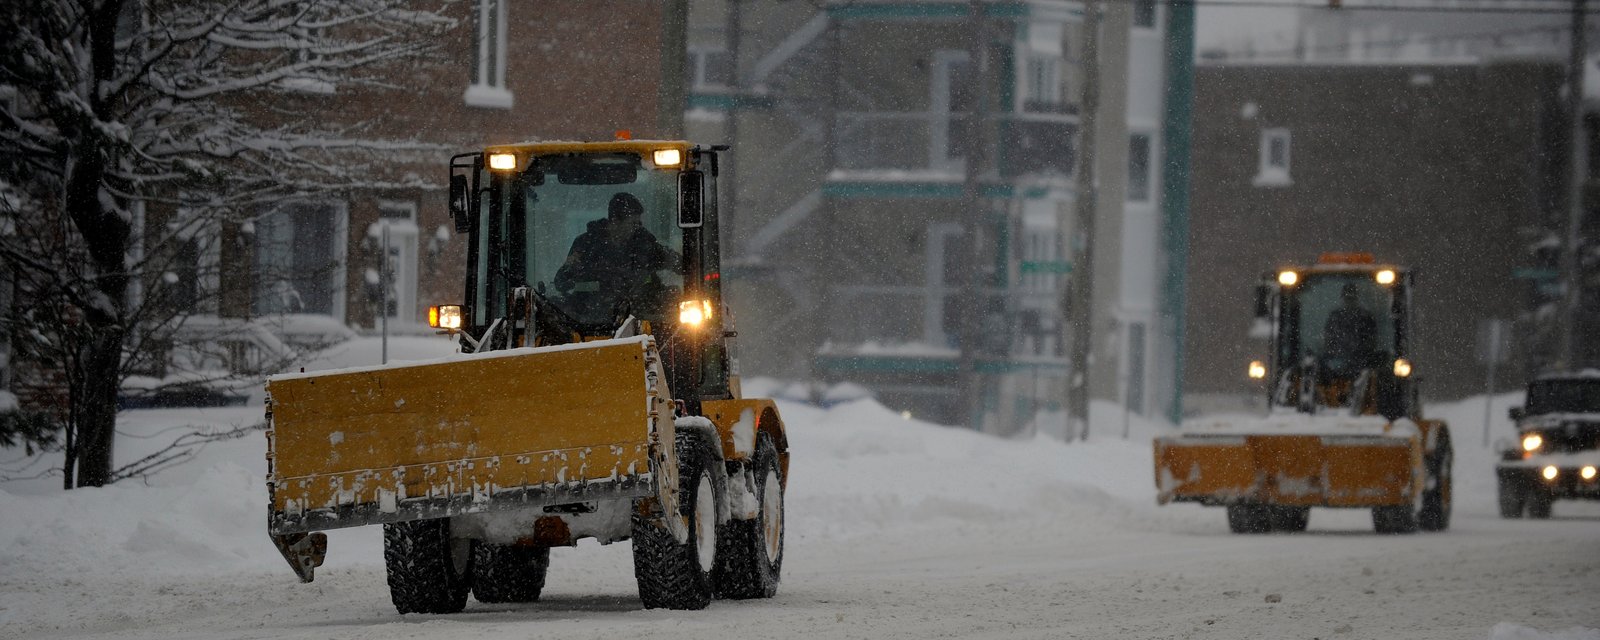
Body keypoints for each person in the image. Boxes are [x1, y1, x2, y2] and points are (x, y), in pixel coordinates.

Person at [554, 193, 679, 316]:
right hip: (592, 318)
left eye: (639, 224)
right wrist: (570, 270)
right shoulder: (586, 245)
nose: (637, 228)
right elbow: (561, 282)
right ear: (614, 221)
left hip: (640, 317)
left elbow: (677, 262)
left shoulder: (644, 244)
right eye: (633, 223)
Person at [1321, 283, 1377, 377]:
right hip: (1335, 365)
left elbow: (1372, 341)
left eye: (1351, 298)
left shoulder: (1366, 317)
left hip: (1362, 363)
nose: (1349, 301)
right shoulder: (1335, 317)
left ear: (1356, 298)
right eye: (1347, 298)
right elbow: (1328, 340)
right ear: (1343, 299)